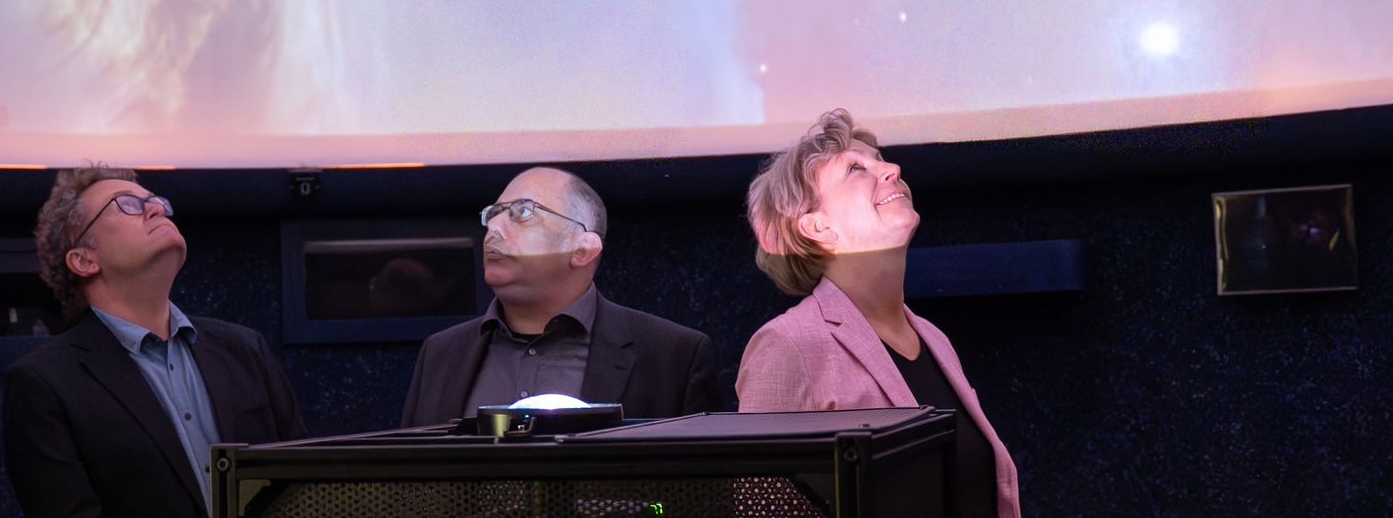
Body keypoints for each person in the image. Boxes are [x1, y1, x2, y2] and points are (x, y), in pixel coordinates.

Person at [737, 110, 1021, 518]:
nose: (892, 169)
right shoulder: (788, 345)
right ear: (815, 227)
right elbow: (763, 509)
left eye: (881, 160)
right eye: (856, 169)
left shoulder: (933, 338)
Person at [2, 166, 307, 518]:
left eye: (157, 201)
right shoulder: (43, 382)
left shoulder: (245, 349)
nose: (156, 208)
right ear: (84, 260)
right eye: (127, 204)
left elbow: (304, 487)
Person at [401, 166, 726, 424]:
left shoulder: (672, 356)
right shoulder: (442, 353)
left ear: (583, 249)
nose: (494, 228)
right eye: (493, 214)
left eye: (522, 213)